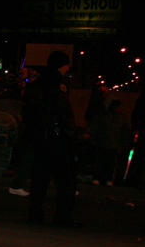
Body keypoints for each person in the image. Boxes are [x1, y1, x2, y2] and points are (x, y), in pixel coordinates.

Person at [23, 50, 79, 227]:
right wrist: (72, 131)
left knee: (40, 177)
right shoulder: (58, 84)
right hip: (57, 137)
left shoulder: (36, 83)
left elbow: (28, 111)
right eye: (66, 64)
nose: (68, 68)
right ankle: (62, 216)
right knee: (66, 179)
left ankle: (35, 213)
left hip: (40, 137)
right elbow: (63, 111)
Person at [89, 97, 129, 186]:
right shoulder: (101, 116)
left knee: (111, 163)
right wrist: (94, 142)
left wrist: (123, 144)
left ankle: (108, 178)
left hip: (114, 145)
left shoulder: (121, 118)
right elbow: (95, 130)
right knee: (100, 162)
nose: (117, 108)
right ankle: (97, 177)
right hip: (102, 144)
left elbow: (124, 132)